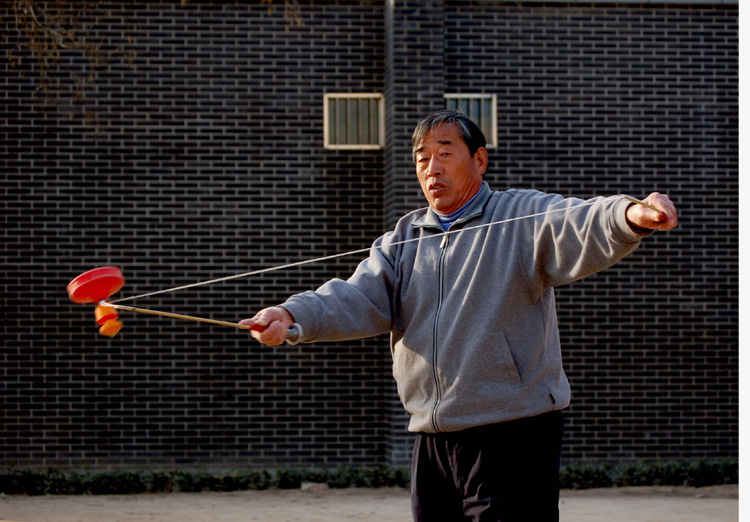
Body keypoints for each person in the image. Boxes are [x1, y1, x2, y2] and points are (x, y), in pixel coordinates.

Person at [240, 109, 678, 522]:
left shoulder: (517, 216)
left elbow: (574, 220)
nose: (432, 168)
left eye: (445, 154)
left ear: (480, 160)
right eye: (422, 158)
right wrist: (290, 316)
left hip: (512, 434)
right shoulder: (403, 238)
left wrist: (629, 216)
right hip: (433, 436)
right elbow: (356, 297)